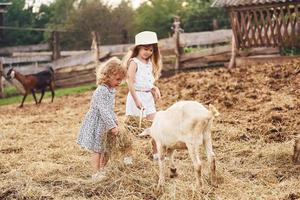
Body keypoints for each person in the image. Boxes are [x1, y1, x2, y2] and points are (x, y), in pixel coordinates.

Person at [77, 57, 126, 180]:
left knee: (107, 148)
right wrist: (113, 126)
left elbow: (110, 109)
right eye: (117, 79)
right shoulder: (101, 91)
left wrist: (115, 121)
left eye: (121, 79)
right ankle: (95, 173)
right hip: (98, 123)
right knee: (97, 149)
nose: (119, 82)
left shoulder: (111, 90)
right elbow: (103, 111)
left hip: (106, 123)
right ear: (108, 76)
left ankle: (103, 169)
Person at [124, 31, 162, 160]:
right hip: (136, 96)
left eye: (151, 50)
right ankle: (128, 155)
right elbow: (130, 82)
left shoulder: (149, 63)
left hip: (148, 98)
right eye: (145, 49)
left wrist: (154, 89)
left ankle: (156, 153)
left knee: (154, 125)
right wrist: (136, 100)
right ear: (138, 48)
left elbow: (148, 82)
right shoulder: (134, 62)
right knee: (132, 128)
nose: (148, 52)